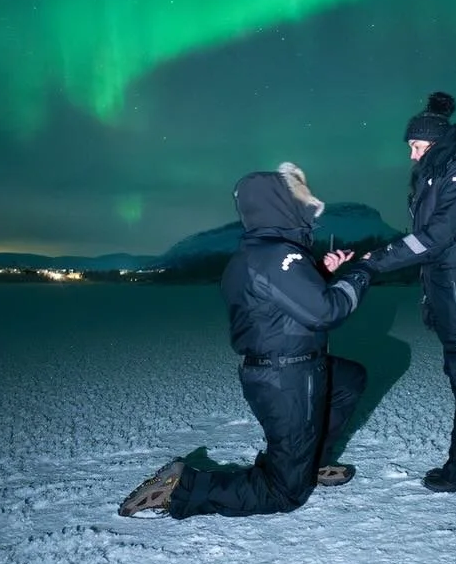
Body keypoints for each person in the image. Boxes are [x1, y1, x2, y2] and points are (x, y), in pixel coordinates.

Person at [119, 162, 374, 518]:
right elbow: (326, 312)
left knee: (349, 378)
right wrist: (361, 274)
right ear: (281, 205)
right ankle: (183, 488)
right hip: (287, 379)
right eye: (299, 201)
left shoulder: (260, 253)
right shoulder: (278, 256)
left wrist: (321, 272)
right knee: (285, 494)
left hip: (287, 369)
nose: (307, 208)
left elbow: (278, 300)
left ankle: (307, 461)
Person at [363, 91, 456, 493]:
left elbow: (437, 236)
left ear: (436, 140)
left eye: (415, 145)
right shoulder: (436, 171)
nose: (411, 155)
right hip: (451, 289)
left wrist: (373, 262)